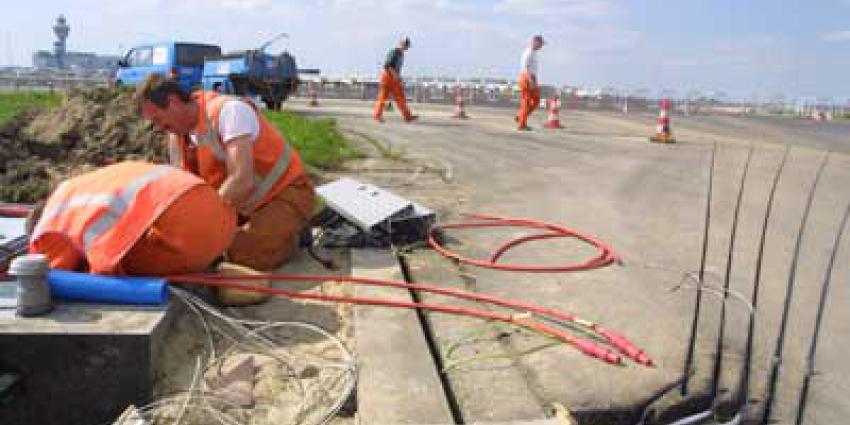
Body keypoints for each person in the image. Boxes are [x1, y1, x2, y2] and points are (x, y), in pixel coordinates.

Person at [136, 74, 315, 271]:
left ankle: (294, 235)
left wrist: (205, 222)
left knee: (240, 253)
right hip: (240, 206)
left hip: (286, 195)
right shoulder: (177, 137)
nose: (159, 128)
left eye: (158, 119)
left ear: (173, 101)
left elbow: (241, 179)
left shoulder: (229, 112)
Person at [29, 161, 237, 275]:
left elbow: (54, 272)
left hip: (174, 240)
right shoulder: (79, 187)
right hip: (219, 214)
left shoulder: (50, 225)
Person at [374, 37, 418, 123]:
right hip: (388, 77)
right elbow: (388, 65)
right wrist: (396, 76)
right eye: (406, 46)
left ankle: (407, 116)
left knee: (400, 97)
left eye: (407, 46)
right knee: (383, 97)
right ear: (402, 44)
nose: (407, 48)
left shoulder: (401, 54)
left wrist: (398, 77)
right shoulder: (395, 52)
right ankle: (377, 116)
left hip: (394, 78)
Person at [516, 35, 545, 131]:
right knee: (526, 102)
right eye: (541, 44)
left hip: (532, 78)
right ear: (536, 42)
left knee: (536, 100)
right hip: (527, 78)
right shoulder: (528, 53)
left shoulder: (534, 53)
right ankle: (522, 124)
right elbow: (525, 68)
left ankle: (521, 117)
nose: (542, 46)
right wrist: (530, 80)